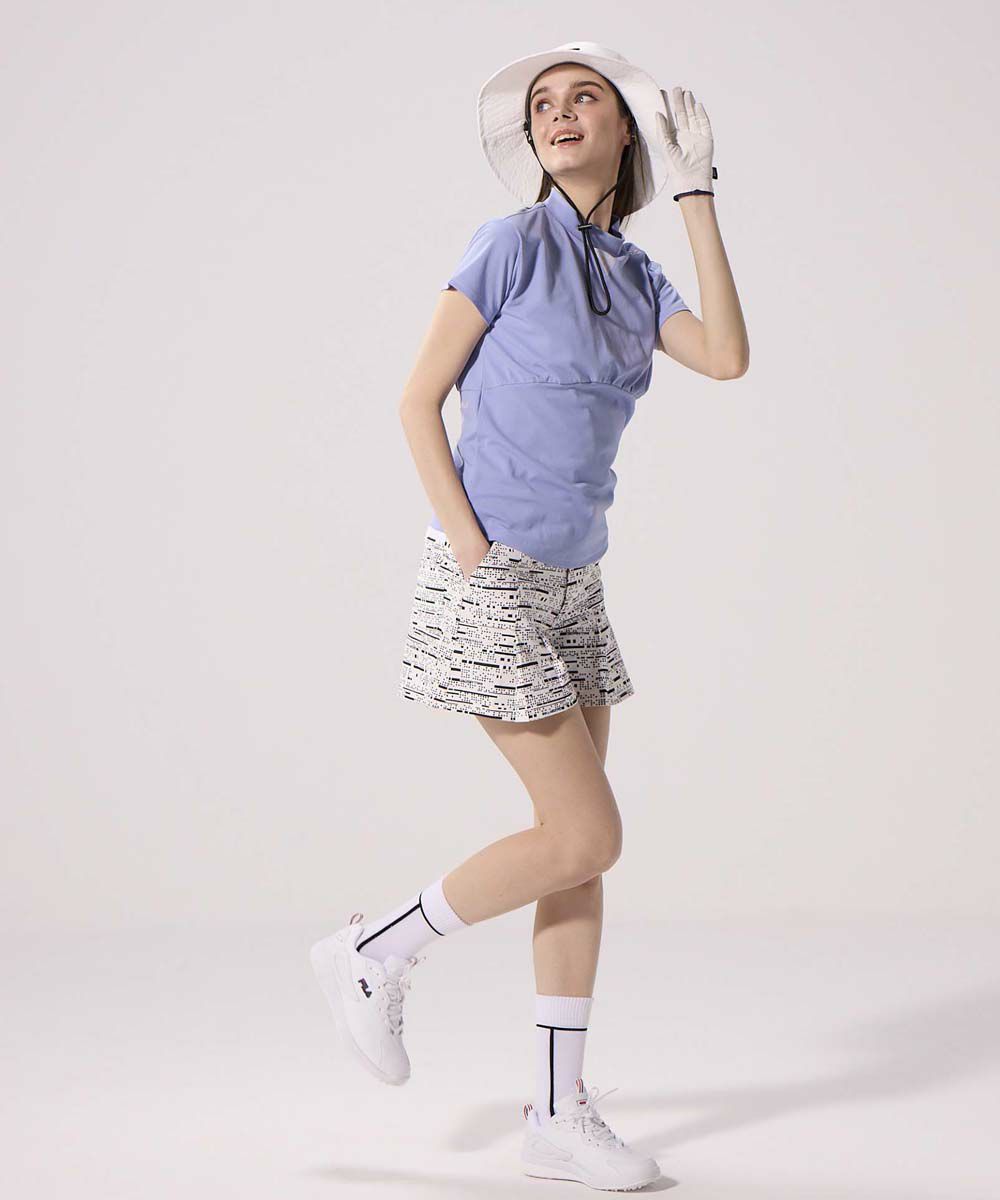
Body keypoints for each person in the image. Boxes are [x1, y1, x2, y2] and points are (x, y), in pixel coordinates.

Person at [312, 41, 748, 1192]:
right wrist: (470, 548)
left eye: (583, 98)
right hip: (494, 571)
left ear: (624, 130)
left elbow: (725, 357)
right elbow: (417, 400)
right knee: (587, 834)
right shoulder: (509, 243)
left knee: (575, 856)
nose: (558, 114)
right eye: (543, 104)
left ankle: (557, 1112)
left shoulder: (635, 276)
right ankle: (371, 952)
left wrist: (697, 193)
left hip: (575, 584)